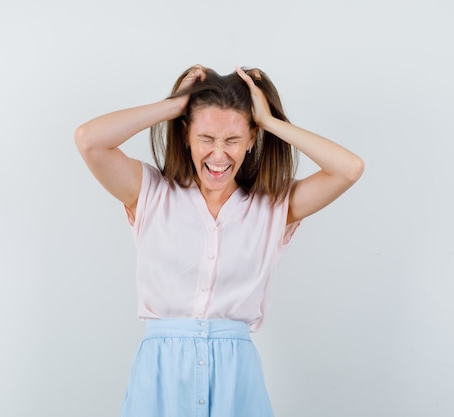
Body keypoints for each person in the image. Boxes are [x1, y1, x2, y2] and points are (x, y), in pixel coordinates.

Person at [74, 64, 364, 417]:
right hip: (160, 376)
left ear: (251, 138)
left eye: (232, 140)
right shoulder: (150, 193)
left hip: (236, 377)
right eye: (206, 139)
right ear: (185, 135)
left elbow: (349, 168)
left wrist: (270, 122)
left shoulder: (271, 208)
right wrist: (176, 105)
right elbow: (89, 140)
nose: (218, 155)